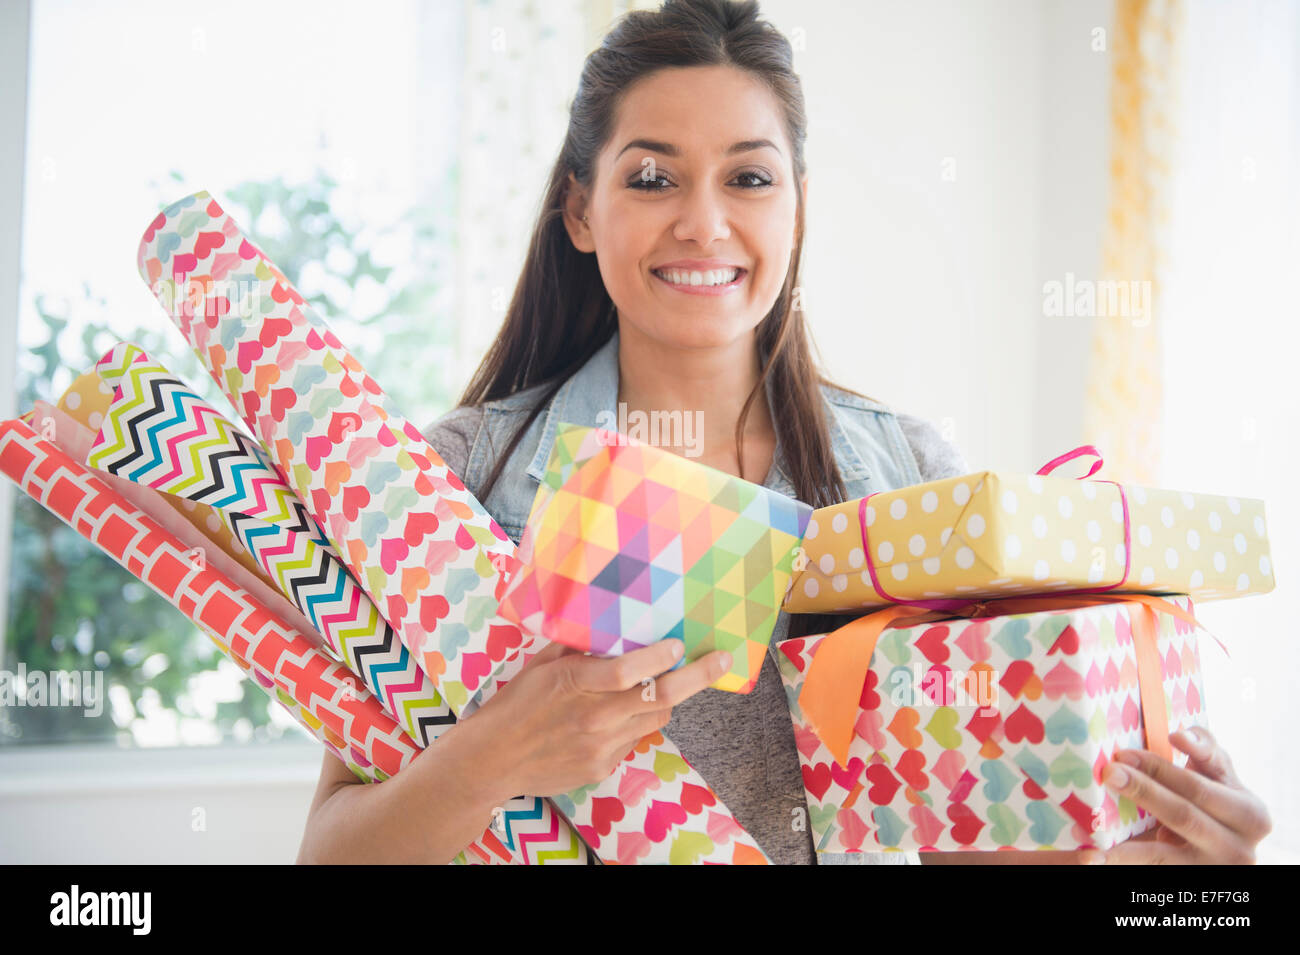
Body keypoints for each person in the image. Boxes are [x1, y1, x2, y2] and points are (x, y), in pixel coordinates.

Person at [297, 0, 1270, 865]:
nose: (703, 223)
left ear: (797, 209)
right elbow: (329, 858)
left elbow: (975, 843)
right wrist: (498, 753)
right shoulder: (458, 475)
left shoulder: (911, 483)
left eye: (750, 179)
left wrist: (1168, 873)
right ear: (581, 212)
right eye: (650, 178)